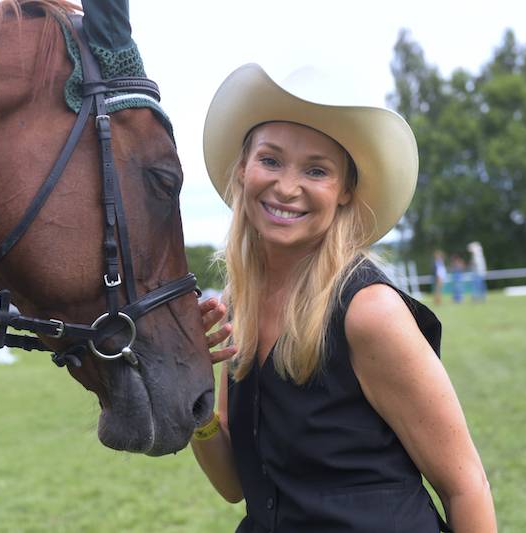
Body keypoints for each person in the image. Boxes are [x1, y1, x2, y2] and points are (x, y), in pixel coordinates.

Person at [192, 64, 496, 532]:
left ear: (346, 191)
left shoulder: (368, 311)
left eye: (316, 170)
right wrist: (190, 393)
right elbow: (237, 484)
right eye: (270, 160)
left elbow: (466, 485)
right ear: (243, 168)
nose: (287, 187)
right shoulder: (239, 305)